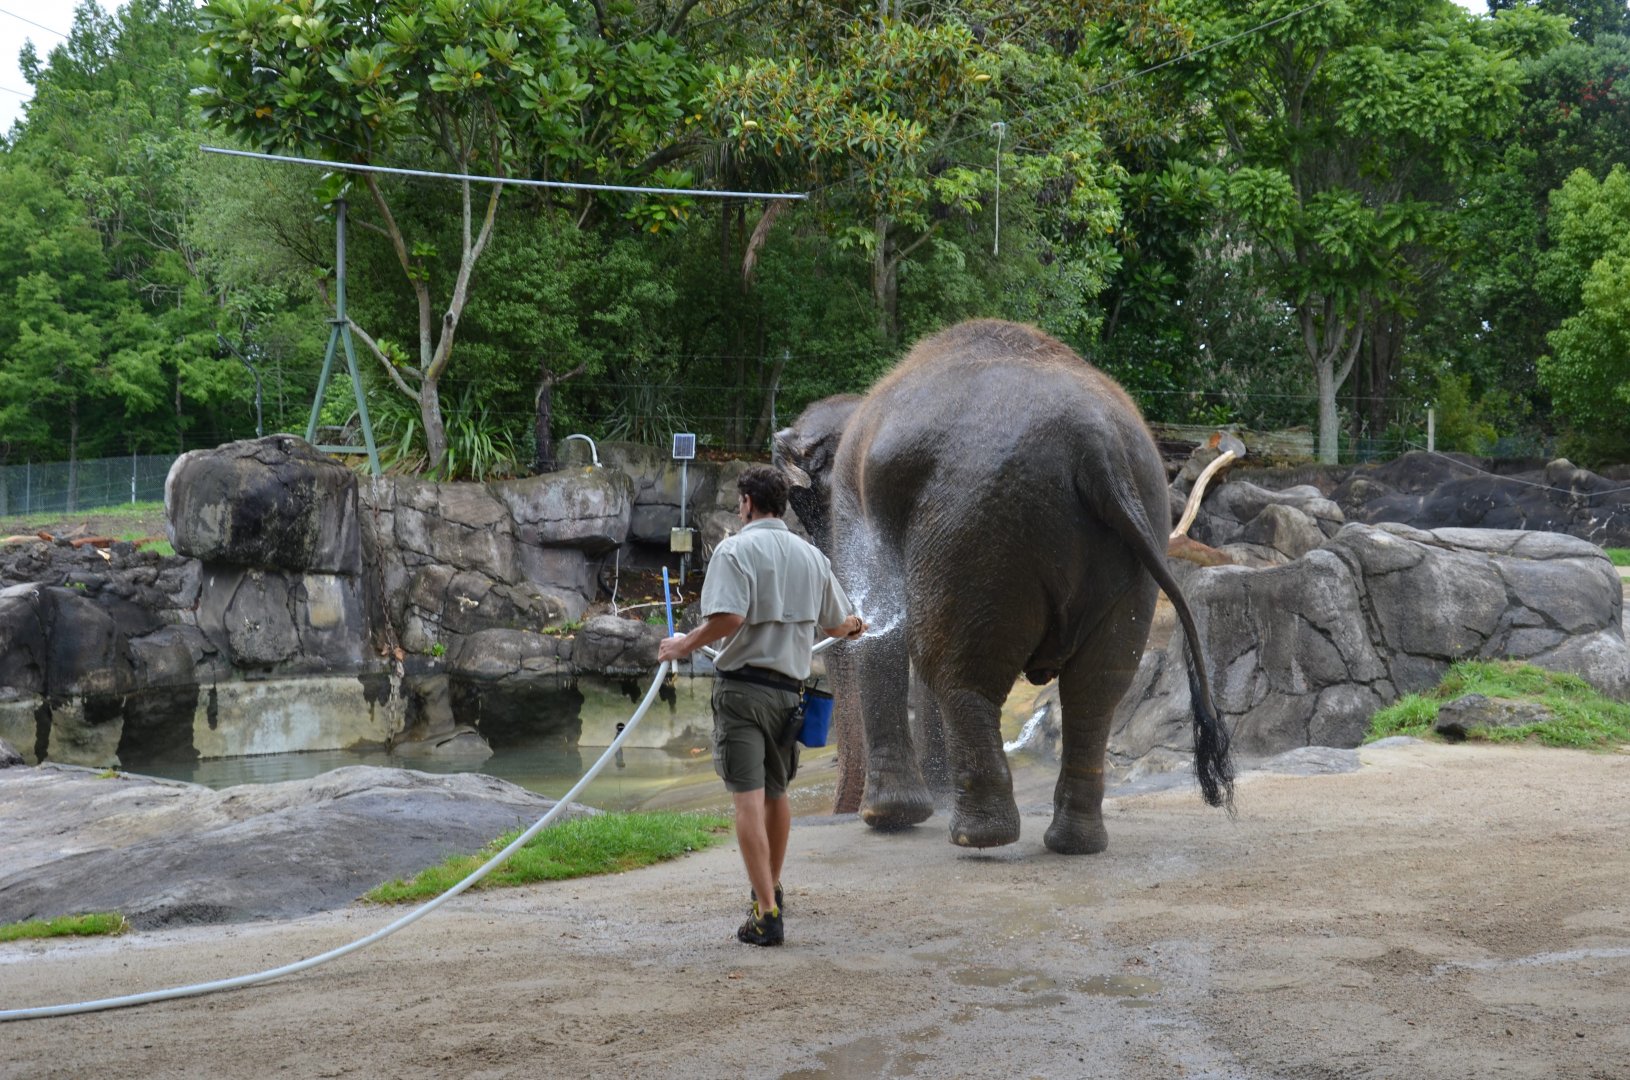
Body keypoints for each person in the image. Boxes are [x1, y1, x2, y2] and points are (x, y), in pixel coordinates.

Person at [658, 464, 867, 946]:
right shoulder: (812, 557)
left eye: (739, 501)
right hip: (788, 695)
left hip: (744, 693)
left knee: (747, 800)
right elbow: (836, 625)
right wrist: (855, 625)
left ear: (748, 502)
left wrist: (682, 645)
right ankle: (768, 890)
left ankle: (767, 914)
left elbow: (729, 616)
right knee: (777, 795)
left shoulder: (735, 550)